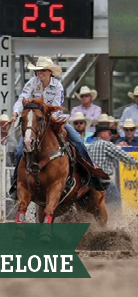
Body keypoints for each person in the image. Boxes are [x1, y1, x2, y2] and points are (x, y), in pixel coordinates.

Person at [8, 56, 104, 197]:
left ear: (49, 72)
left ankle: (92, 176)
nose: (39, 74)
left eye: (42, 71)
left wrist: (44, 115)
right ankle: (16, 183)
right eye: (38, 71)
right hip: (36, 123)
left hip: (54, 120)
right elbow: (21, 99)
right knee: (18, 150)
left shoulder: (57, 86)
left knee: (77, 141)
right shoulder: (32, 83)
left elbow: (57, 108)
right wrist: (16, 113)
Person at [88, 125, 138, 208]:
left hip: (90, 181)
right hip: (103, 180)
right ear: (101, 134)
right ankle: (113, 218)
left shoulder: (91, 145)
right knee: (116, 200)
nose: (110, 135)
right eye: (109, 132)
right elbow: (122, 155)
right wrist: (135, 163)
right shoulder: (106, 144)